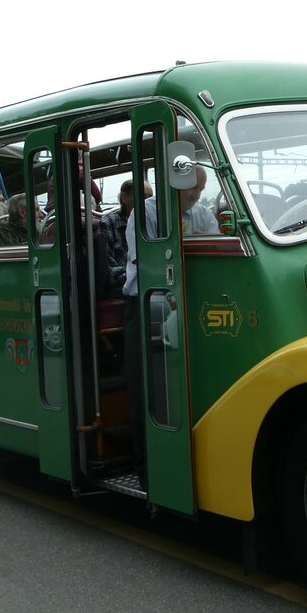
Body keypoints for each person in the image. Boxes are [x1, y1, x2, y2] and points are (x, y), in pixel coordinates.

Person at [122, 167, 217, 488]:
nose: (197, 197)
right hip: (148, 305)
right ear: (176, 185)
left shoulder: (203, 214)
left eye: (201, 192)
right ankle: (147, 471)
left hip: (190, 305)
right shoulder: (145, 213)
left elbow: (216, 250)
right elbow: (145, 259)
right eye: (193, 191)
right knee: (147, 388)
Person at [100, 178, 152, 293]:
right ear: (124, 198)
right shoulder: (108, 222)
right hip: (121, 280)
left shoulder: (153, 221)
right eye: (143, 197)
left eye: (150, 197)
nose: (147, 202)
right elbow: (108, 265)